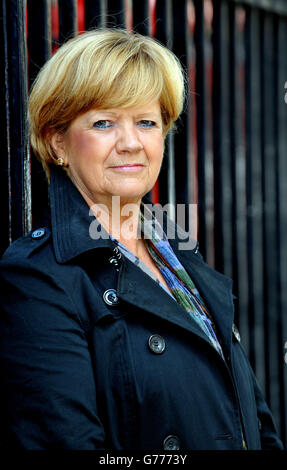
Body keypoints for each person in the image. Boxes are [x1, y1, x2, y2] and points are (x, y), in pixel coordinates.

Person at [0, 28, 283, 451]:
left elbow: (252, 420)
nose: (131, 143)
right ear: (57, 141)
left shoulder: (177, 253)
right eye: (103, 122)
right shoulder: (39, 276)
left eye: (146, 122)